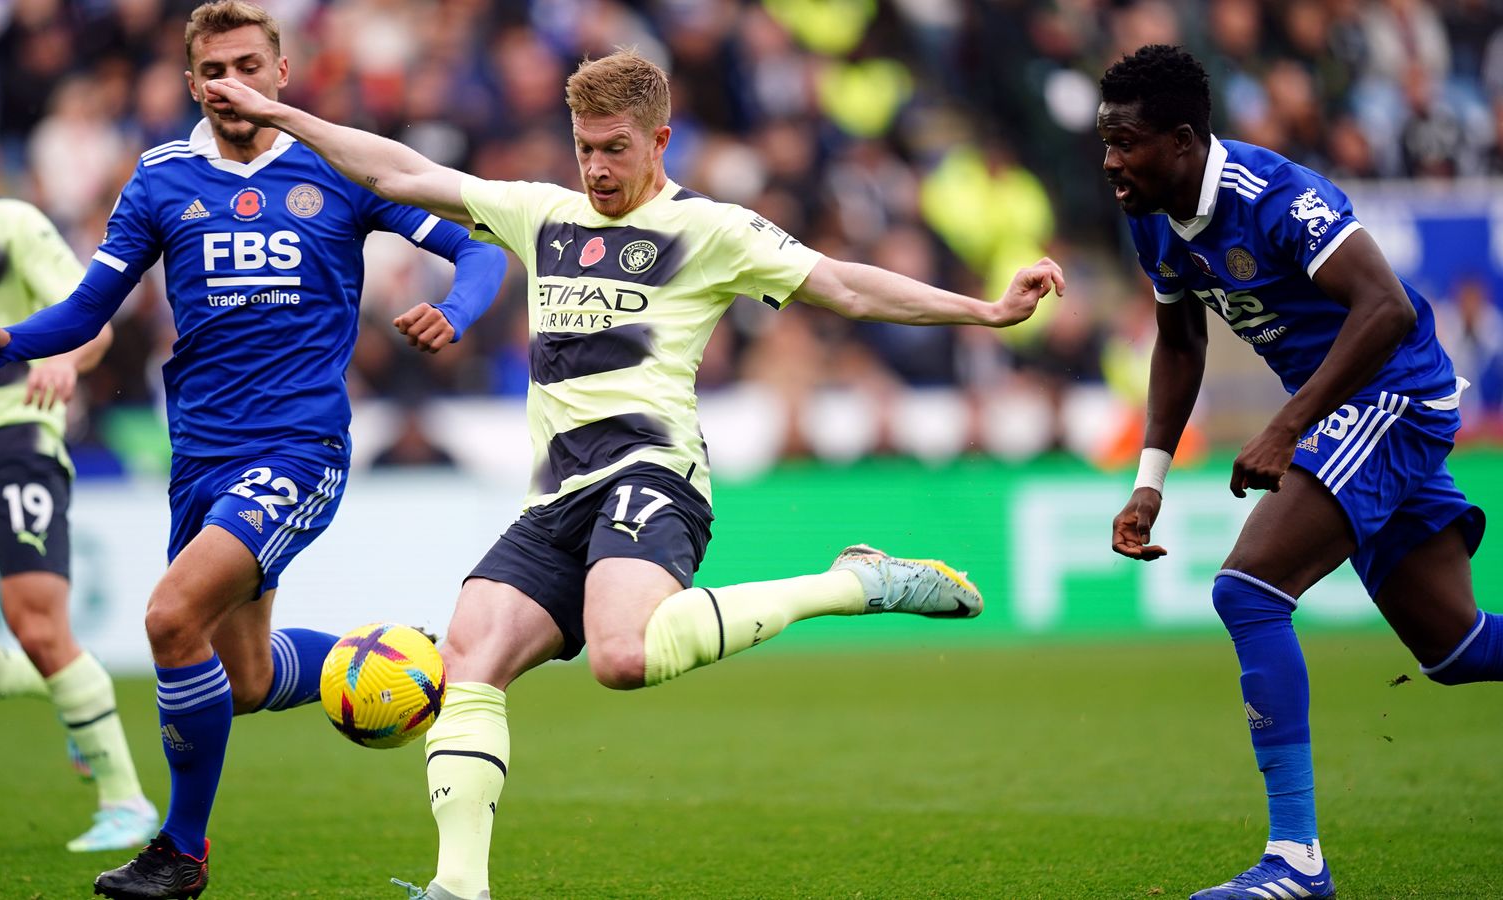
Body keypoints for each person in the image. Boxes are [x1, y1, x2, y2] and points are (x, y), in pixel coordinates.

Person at [203, 48, 1065, 900]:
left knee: (621, 655)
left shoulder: (711, 229)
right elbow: (400, 173)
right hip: (555, 494)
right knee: (469, 657)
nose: (596, 167)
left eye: (615, 147)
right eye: (583, 146)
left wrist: (985, 311)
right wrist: (281, 115)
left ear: (661, 140)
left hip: (653, 470)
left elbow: (843, 285)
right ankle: (458, 888)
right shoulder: (541, 212)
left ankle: (853, 583)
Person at [0, 2, 507, 897]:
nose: (231, 85)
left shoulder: (341, 163)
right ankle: (396, 658)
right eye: (214, 71)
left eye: (249, 64)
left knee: (171, 618)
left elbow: (479, 245)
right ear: (190, 82)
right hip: (198, 456)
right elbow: (92, 308)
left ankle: (182, 851)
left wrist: (458, 310)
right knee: (241, 679)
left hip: (299, 449)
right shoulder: (163, 178)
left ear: (283, 73)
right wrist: (12, 342)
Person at [1100, 45, 1500, 900]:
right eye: (1105, 141)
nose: (1110, 162)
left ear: (1181, 139)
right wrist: (1150, 480)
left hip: (1393, 395)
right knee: (1458, 648)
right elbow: (1179, 340)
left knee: (1247, 590)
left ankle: (1295, 863)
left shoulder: (1276, 195)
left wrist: (1287, 426)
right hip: (1341, 412)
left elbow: (1387, 309)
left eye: (1125, 142)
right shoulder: (1149, 213)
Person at [0, 72, 158, 853]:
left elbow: (93, 323)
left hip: (18, 442)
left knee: (36, 621)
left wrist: (63, 364)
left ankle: (127, 804)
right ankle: (72, 702)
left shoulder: (11, 225)